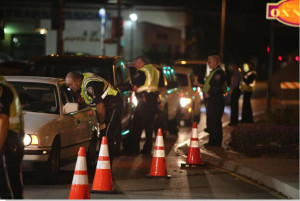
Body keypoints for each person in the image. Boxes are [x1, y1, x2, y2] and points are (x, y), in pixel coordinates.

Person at [65, 72, 123, 167]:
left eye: (70, 85)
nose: (69, 88)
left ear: (78, 81)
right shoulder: (82, 83)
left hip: (113, 104)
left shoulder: (89, 86)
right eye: (67, 86)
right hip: (105, 106)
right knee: (102, 137)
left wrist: (102, 123)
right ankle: (99, 166)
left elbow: (100, 105)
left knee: (106, 136)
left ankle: (106, 169)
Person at [0, 75, 24, 199]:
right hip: (11, 140)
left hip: (7, 141)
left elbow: (3, 121)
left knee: (8, 189)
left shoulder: (3, 88)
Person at [130, 56, 160, 154]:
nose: (135, 66)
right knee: (149, 126)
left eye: (135, 64)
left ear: (140, 63)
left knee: (137, 125)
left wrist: (131, 88)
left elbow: (135, 87)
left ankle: (134, 149)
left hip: (144, 101)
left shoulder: (142, 71)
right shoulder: (155, 70)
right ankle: (147, 148)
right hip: (153, 100)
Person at [202, 55, 226, 147]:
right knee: (212, 121)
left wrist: (209, 93)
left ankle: (215, 142)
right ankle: (213, 141)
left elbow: (217, 86)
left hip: (216, 100)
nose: (208, 63)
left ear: (216, 62)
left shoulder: (218, 73)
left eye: (210, 61)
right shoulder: (214, 72)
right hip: (213, 99)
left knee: (215, 121)